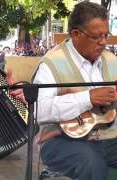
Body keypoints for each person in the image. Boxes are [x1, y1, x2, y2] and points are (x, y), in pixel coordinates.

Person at [34, 1, 117, 180]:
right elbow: (39, 111)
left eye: (106, 35)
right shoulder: (51, 64)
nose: (103, 42)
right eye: (97, 37)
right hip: (62, 141)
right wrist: (87, 98)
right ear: (76, 34)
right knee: (92, 164)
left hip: (110, 137)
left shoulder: (111, 60)